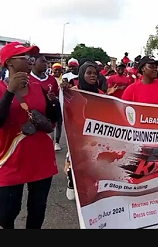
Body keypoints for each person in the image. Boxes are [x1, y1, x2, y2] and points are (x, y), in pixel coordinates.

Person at [0, 42, 59, 229]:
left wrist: (53, 104)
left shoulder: (39, 87)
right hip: (11, 159)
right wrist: (10, 91)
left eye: (31, 58)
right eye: (25, 58)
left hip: (41, 158)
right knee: (6, 215)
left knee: (37, 211)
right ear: (9, 62)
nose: (30, 61)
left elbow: (53, 119)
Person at [60, 62, 117, 200]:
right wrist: (63, 91)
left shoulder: (100, 94)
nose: (92, 76)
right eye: (89, 73)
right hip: (77, 133)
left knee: (93, 163)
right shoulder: (73, 91)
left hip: (95, 135)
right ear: (81, 74)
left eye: (95, 73)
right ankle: (71, 180)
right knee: (76, 162)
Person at [30, 55, 62, 151]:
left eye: (46, 62)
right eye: (42, 61)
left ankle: (56, 142)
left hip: (48, 120)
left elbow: (57, 97)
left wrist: (53, 99)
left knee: (46, 146)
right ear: (33, 62)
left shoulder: (52, 80)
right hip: (32, 119)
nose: (46, 64)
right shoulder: (27, 78)